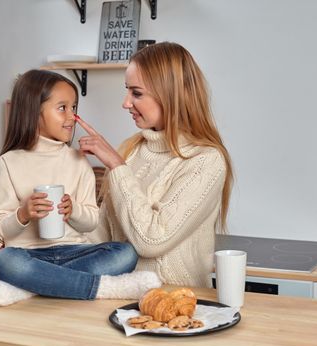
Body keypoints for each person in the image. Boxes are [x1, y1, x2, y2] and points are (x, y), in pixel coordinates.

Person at [0, 69, 160, 306]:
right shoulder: (9, 163)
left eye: (74, 108)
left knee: (125, 253)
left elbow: (90, 222)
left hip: (75, 252)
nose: (73, 117)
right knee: (5, 261)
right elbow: (2, 229)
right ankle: (101, 289)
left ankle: (32, 286)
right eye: (62, 108)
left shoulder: (79, 160)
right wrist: (23, 213)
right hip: (29, 255)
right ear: (33, 112)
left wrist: (74, 211)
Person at [76, 42, 234, 288]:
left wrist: (117, 167)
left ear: (170, 95)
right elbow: (102, 236)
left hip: (178, 307)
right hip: (119, 299)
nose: (126, 103)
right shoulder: (131, 149)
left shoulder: (206, 161)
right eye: (127, 91)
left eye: (136, 93)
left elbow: (151, 241)